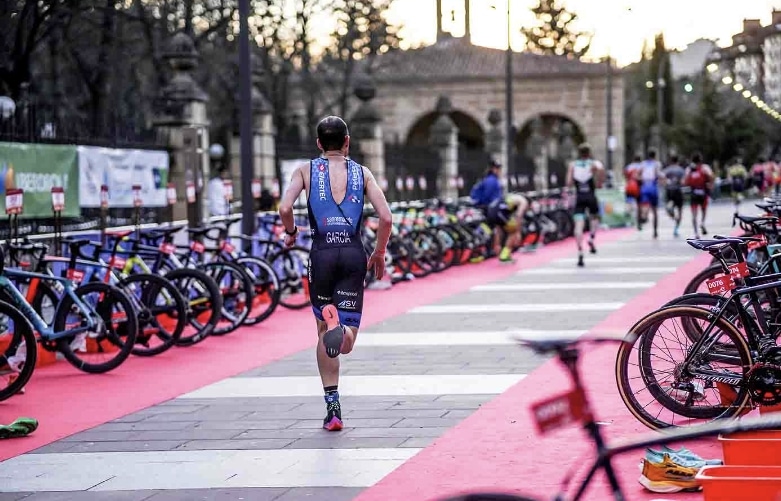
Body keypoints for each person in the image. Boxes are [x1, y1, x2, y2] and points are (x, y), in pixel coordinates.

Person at [278, 116, 392, 432]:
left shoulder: (305, 170)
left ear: (318, 144)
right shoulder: (362, 173)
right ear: (347, 142)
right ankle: (341, 329)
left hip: (322, 253)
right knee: (347, 340)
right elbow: (386, 216)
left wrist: (290, 232)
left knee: (322, 334)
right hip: (354, 254)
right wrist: (379, 252)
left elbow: (285, 208)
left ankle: (333, 411)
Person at [566, 143, 605, 267]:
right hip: (591, 196)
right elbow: (600, 178)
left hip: (580, 197)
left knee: (578, 225)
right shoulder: (594, 164)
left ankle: (580, 252)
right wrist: (598, 182)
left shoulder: (573, 165)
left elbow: (569, 183)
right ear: (589, 153)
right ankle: (591, 238)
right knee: (595, 217)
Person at [470, 158, 504, 256]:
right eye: (498, 169)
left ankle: (490, 248)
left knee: (491, 228)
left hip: (492, 207)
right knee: (490, 228)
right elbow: (487, 196)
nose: (499, 171)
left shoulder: (493, 179)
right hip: (489, 207)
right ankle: (488, 249)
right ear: (493, 169)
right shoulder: (491, 180)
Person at [484, 194, 529, 263]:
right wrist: (518, 233)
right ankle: (504, 256)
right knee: (513, 231)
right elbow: (518, 215)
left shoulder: (513, 197)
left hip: (491, 210)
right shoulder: (524, 201)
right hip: (498, 212)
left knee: (500, 229)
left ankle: (497, 247)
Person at [683, 153, 714, 239]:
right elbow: (711, 176)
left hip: (694, 193)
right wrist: (710, 186)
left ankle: (696, 233)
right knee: (704, 210)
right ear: (701, 160)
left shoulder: (689, 169)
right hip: (703, 192)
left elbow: (685, 182)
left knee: (694, 215)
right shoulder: (705, 167)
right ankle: (702, 223)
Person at [636, 150, 664, 239]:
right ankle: (655, 231)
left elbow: (637, 175)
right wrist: (662, 180)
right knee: (655, 210)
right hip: (653, 186)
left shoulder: (643, 164)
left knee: (645, 204)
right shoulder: (657, 164)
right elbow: (658, 174)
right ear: (655, 156)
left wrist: (642, 179)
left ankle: (644, 215)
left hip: (644, 186)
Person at [662, 155, 686, 237]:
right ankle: (676, 228)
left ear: (671, 161)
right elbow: (683, 182)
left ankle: (673, 217)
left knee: (668, 208)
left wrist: (667, 184)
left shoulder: (667, 170)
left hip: (669, 191)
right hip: (678, 191)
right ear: (677, 161)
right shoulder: (681, 170)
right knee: (680, 210)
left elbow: (663, 180)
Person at [623, 155, 642, 228]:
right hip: (638, 187)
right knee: (638, 205)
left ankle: (627, 211)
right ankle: (638, 222)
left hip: (629, 186)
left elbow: (625, 175)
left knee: (628, 201)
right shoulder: (641, 166)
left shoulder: (629, 166)